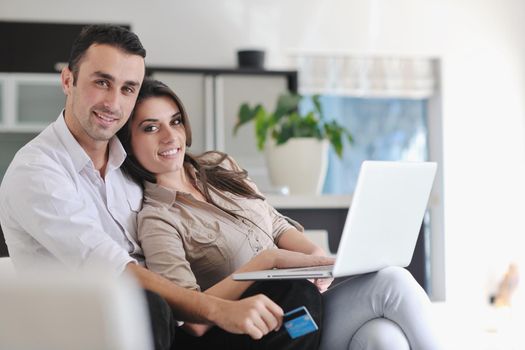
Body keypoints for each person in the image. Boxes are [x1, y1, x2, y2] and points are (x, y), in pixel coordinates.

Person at [0, 25, 331, 350]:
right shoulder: (37, 172)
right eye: (102, 82)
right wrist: (219, 309)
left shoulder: (129, 168)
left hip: (163, 324)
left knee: (294, 298)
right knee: (147, 302)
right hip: (86, 328)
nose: (113, 103)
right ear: (68, 80)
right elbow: (113, 268)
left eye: (128, 88)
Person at [118, 78, 442, 350]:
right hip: (276, 328)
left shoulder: (220, 166)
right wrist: (266, 262)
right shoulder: (157, 218)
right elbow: (190, 318)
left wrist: (313, 255)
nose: (169, 136)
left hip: (309, 301)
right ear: (129, 143)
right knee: (392, 281)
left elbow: (273, 221)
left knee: (383, 338)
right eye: (150, 128)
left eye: (174, 121)